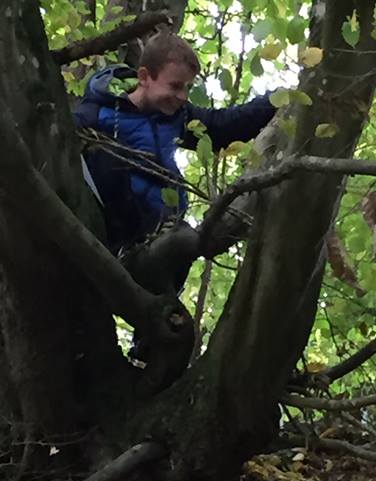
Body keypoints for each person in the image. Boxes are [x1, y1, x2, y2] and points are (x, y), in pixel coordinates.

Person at [73, 31, 276, 296]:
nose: (182, 96)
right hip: (116, 235)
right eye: (175, 86)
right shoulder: (95, 115)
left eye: (187, 88)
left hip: (165, 240)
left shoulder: (177, 116)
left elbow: (223, 126)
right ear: (144, 77)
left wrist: (276, 100)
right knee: (104, 157)